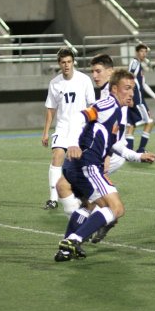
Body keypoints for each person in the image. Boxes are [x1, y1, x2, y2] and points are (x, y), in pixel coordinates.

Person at [54, 68, 155, 261]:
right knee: (116, 209)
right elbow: (79, 117)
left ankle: (66, 249)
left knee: (91, 205)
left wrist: (137, 156)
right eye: (127, 88)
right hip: (88, 164)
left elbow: (115, 144)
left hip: (76, 166)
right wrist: (73, 143)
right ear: (115, 89)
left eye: (133, 89)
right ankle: (75, 239)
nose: (131, 93)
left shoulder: (117, 112)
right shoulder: (108, 103)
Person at [41, 47, 95, 210]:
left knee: (79, 163)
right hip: (62, 128)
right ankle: (53, 199)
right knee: (57, 156)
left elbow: (91, 105)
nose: (66, 65)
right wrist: (45, 133)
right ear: (59, 63)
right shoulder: (54, 83)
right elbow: (51, 109)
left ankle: (81, 196)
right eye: (63, 62)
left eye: (69, 62)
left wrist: (92, 128)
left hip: (80, 129)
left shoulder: (84, 80)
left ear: (73, 62)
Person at [126, 43, 155, 152]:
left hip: (135, 99)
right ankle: (141, 149)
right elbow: (129, 78)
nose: (144, 53)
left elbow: (143, 85)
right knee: (149, 122)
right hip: (137, 100)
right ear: (137, 52)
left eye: (145, 51)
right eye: (141, 51)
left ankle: (129, 151)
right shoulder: (135, 63)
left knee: (132, 125)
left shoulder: (139, 65)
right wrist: (131, 97)